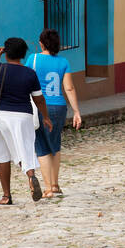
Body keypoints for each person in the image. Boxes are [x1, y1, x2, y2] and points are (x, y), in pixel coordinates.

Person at [0, 37, 51, 204]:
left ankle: (6, 196)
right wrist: (45, 117)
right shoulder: (29, 74)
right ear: (23, 54)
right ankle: (31, 176)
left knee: (2, 155)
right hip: (22, 116)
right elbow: (39, 99)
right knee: (24, 149)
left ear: (5, 53)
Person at [26, 28, 83, 199]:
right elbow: (69, 87)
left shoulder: (33, 59)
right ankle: (56, 185)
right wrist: (77, 111)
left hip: (39, 106)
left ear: (41, 43)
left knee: (42, 147)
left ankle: (48, 188)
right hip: (59, 106)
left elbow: (27, 81)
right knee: (55, 145)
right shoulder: (64, 62)